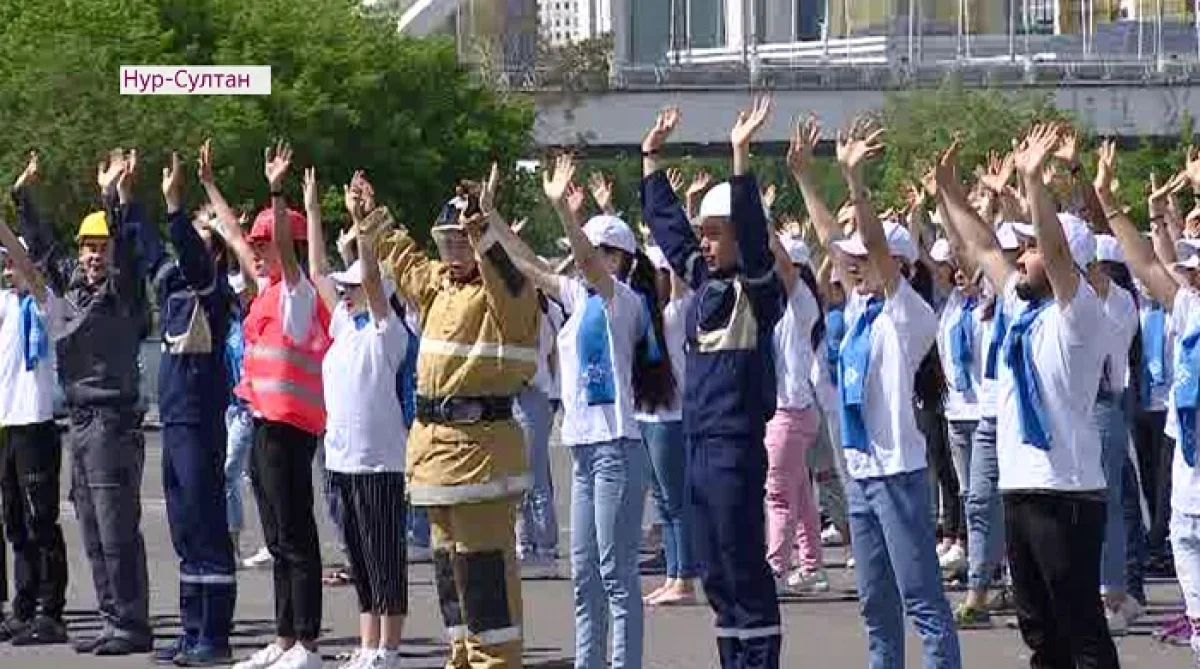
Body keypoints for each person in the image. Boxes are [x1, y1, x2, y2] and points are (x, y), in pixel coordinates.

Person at [937, 126, 1117, 667]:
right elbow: (983, 245)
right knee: (1039, 630)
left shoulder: (1080, 313)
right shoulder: (1020, 309)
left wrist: (1035, 179)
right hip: (1021, 486)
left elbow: (1057, 251)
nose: (1023, 256)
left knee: (1080, 626)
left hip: (1067, 491)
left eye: (1033, 249)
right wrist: (948, 190)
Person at [802, 115, 962, 668]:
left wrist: (856, 183)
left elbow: (865, 237)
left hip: (897, 474)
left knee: (921, 600)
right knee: (875, 605)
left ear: (898, 264)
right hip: (861, 473)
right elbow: (833, 240)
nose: (852, 263)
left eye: (867, 257)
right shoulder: (859, 307)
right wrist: (804, 176)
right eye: (852, 260)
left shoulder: (907, 313)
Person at [642, 98, 786, 668]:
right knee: (715, 575)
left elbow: (752, 238)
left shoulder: (758, 290)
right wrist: (651, 158)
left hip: (734, 445)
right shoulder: (704, 284)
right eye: (705, 232)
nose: (705, 242)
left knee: (743, 567)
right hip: (699, 442)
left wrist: (740, 158)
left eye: (715, 233)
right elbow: (672, 236)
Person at [377, 165, 538, 669]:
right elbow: (406, 264)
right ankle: (462, 659)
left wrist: (484, 230)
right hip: (437, 462)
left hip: (480, 461)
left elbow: (509, 280)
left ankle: (494, 663)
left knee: (487, 589)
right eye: (448, 242)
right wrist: (374, 218)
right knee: (453, 587)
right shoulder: (442, 289)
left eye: (462, 242)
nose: (453, 253)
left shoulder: (507, 294)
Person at [42, 148, 154, 655]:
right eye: (86, 247)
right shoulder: (76, 294)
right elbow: (44, 253)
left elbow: (128, 258)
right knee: (90, 525)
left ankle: (131, 622)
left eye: (100, 246)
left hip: (112, 422)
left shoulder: (124, 293)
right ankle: (113, 619)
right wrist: (23, 199)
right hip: (82, 424)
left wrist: (111, 198)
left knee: (115, 528)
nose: (91, 255)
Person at [232, 143, 333, 669]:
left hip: (290, 430)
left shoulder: (297, 294)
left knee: (295, 536)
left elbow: (292, 258)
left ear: (288, 246)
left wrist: (277, 190)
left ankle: (307, 643)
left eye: (266, 244)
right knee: (275, 538)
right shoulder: (266, 291)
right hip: (263, 423)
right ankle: (284, 634)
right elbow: (235, 238)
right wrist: (206, 191)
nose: (257, 250)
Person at [1098, 140, 1200, 662]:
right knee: (1182, 536)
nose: (1189, 272)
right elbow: (1145, 263)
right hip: (1188, 449)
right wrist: (1110, 204)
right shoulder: (1186, 305)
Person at [148, 152, 239, 665]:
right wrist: (117, 201)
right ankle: (190, 629)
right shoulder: (176, 291)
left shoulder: (211, 289)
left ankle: (215, 636)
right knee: (184, 528)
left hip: (200, 421)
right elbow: (145, 252)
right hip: (175, 419)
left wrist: (177, 207)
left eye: (207, 231)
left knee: (205, 525)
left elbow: (189, 250)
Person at [321, 204, 412, 669]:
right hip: (341, 461)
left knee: (384, 560)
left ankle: (388, 650)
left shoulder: (388, 331)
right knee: (358, 560)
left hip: (379, 463)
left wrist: (364, 235)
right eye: (345, 288)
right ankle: (368, 644)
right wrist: (314, 210)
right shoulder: (343, 325)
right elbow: (318, 274)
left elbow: (375, 284)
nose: (345, 293)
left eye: (353, 287)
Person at [0, 152, 68, 646]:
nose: (9, 269)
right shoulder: (3, 303)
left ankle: (50, 608)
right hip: (6, 424)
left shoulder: (46, 304)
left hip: (36, 422)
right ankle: (21, 607)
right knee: (15, 522)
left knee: (41, 519)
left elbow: (31, 264)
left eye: (14, 262)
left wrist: (8, 221)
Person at [764, 232, 829, 595]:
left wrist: (763, 223)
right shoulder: (783, 308)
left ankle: (774, 571)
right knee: (801, 495)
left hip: (788, 414)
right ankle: (811, 565)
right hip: (795, 413)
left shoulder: (802, 303)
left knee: (778, 497)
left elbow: (786, 268)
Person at [639, 244, 698, 606]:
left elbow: (679, 280)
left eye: (661, 273)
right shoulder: (645, 316)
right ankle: (673, 575)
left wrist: (675, 227)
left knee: (676, 502)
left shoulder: (676, 315)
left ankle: (685, 579)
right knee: (662, 503)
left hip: (671, 419)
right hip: (646, 416)